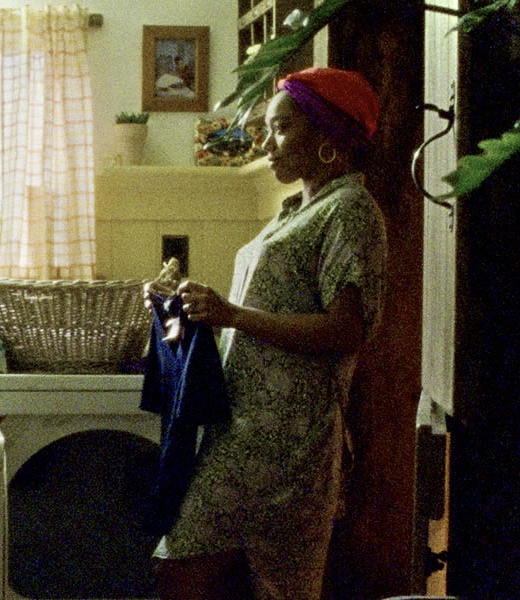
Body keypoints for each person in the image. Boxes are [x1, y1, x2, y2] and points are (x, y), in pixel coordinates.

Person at [148, 66, 387, 600]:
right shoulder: (293, 212)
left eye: (280, 128)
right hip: (242, 430)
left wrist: (232, 315)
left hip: (288, 441)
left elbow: (347, 330)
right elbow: (260, 310)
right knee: (186, 566)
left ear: (326, 134)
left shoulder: (350, 211)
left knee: (229, 576)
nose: (266, 142)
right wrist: (188, 305)